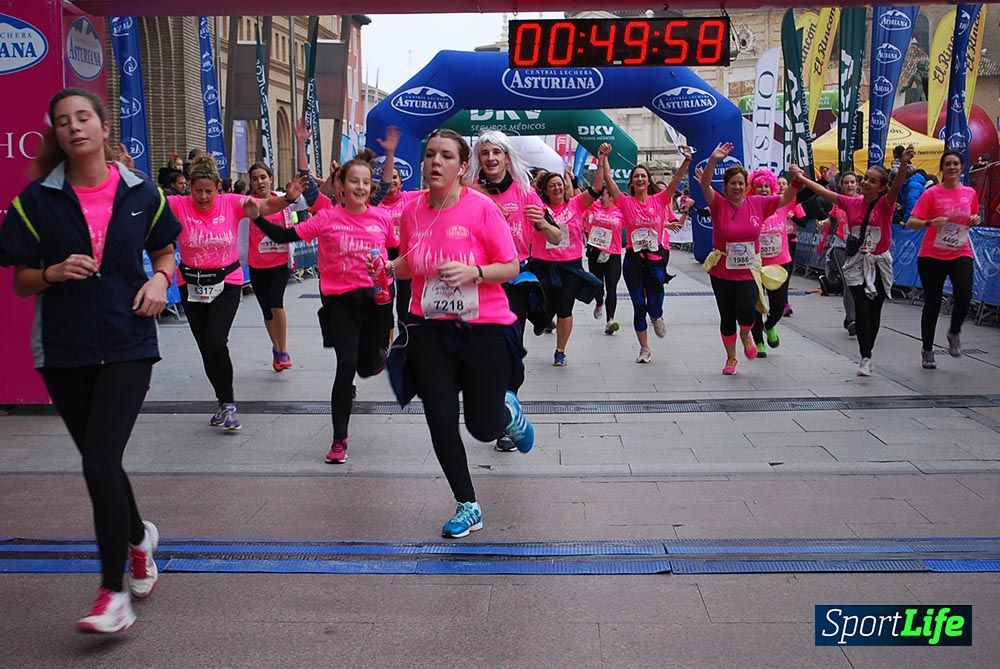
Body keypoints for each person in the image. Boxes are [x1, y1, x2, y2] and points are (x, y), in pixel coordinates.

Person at [0, 87, 183, 633]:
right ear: (54, 134)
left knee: (99, 462)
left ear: (104, 127)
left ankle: (112, 594)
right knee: (102, 463)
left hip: (129, 343)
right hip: (64, 349)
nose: (75, 127)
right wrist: (52, 273)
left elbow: (167, 251)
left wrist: (159, 279)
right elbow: (21, 279)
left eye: (84, 117)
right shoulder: (35, 202)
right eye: (63, 121)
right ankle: (137, 539)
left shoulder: (141, 193)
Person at [387, 129, 535, 538]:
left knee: (482, 428)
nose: (436, 162)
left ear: (461, 166)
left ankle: (507, 413)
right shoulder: (412, 211)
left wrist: (476, 272)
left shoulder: (481, 209)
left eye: (446, 156)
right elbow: (410, 261)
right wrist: (386, 269)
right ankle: (467, 504)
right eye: (430, 154)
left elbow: (511, 266)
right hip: (428, 325)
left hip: (483, 327)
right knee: (439, 415)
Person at [252, 128, 400, 464]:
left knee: (367, 366)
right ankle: (339, 440)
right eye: (354, 182)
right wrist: (257, 217)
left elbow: (394, 251)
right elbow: (284, 233)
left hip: (376, 302)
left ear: (370, 187)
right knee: (346, 366)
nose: (361, 187)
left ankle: (377, 359)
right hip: (340, 303)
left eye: (366, 182)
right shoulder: (327, 218)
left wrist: (391, 265)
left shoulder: (381, 217)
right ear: (341, 186)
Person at [167, 154, 296, 431]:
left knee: (216, 341)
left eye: (208, 191)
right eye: (197, 191)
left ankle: (229, 405)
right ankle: (221, 401)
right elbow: (146, 204)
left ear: (218, 188)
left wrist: (288, 199)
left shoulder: (230, 203)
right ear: (189, 188)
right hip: (189, 284)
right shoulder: (177, 205)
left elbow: (264, 205)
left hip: (226, 282)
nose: (203, 197)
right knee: (206, 349)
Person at [792, 146, 913, 376]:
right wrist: (802, 179)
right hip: (857, 262)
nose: (865, 182)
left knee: (874, 310)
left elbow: (896, 186)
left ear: (881, 188)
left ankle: (869, 352)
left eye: (872, 181)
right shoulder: (851, 202)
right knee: (861, 308)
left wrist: (904, 163)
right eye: (864, 178)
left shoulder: (885, 204)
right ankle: (865, 357)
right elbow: (824, 192)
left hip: (878, 263)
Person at [465, 130, 548, 451]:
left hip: (515, 280)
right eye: (484, 153)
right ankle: (496, 405)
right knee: (482, 351)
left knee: (509, 348)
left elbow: (556, 236)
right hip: (480, 280)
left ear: (507, 156)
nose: (490, 158)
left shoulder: (526, 192)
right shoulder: (470, 194)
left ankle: (505, 414)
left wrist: (543, 223)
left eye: (496, 152)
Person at [699, 142, 798, 375]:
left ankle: (746, 335)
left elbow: (785, 200)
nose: (737, 187)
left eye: (741, 183)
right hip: (722, 269)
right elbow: (704, 185)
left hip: (747, 270)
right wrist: (714, 159)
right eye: (732, 183)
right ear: (725, 187)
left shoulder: (758, 203)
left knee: (746, 310)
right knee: (726, 315)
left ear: (747, 186)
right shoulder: (719, 204)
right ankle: (731, 358)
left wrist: (797, 180)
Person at [600, 143, 692, 362]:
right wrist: (603, 158)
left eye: (643, 176)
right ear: (631, 182)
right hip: (633, 260)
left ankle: (657, 315)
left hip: (656, 258)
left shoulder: (659, 199)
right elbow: (609, 181)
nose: (640, 179)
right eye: (636, 176)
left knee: (654, 302)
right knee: (638, 305)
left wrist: (687, 161)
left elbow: (675, 182)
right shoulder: (624, 202)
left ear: (648, 181)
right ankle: (644, 348)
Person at [907, 150, 982, 369]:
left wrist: (975, 219)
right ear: (942, 168)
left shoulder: (969, 193)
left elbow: (972, 218)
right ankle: (927, 350)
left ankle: (954, 331)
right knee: (932, 302)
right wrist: (930, 223)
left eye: (956, 164)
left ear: (961, 167)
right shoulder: (931, 194)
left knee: (964, 293)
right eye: (947, 164)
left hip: (960, 251)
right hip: (932, 255)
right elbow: (911, 222)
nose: (952, 167)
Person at [526, 166, 603, 366]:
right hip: (542, 265)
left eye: (560, 184)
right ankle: (542, 321)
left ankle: (560, 350)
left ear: (565, 186)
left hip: (569, 266)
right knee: (541, 309)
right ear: (545, 190)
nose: (557, 188)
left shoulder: (576, 203)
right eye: (552, 186)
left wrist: (601, 163)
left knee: (565, 309)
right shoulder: (539, 208)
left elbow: (596, 188)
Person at [246, 159, 311, 371]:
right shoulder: (246, 204)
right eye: (255, 179)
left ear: (271, 178)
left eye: (263, 177)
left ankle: (283, 350)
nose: (259, 182)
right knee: (266, 310)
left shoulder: (283, 199)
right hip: (257, 264)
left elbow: (313, 198)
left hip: (280, 262)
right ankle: (275, 348)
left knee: (276, 301)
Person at [748, 169, 803, 358]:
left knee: (778, 305)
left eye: (766, 186)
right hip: (755, 265)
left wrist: (802, 177)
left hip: (780, 263)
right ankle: (759, 343)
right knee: (757, 305)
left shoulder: (782, 204)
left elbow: (802, 193)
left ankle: (769, 325)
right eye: (759, 186)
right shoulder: (748, 206)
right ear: (752, 189)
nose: (763, 190)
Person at [818, 172, 859, 335]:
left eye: (852, 182)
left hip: (860, 249)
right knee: (848, 282)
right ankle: (852, 320)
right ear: (842, 186)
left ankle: (853, 315)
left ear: (857, 184)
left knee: (860, 285)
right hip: (840, 246)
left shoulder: (864, 201)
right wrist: (823, 223)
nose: (849, 185)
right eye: (846, 183)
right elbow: (832, 220)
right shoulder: (839, 203)